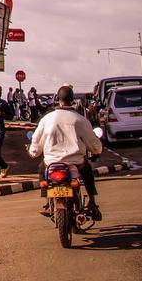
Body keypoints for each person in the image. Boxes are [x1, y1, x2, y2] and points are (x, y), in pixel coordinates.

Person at [28, 84, 103, 221]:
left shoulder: (47, 119)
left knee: (41, 171)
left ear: (58, 99)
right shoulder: (80, 120)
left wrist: (34, 152)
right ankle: (92, 202)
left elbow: (37, 139)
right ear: (72, 100)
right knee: (87, 173)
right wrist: (96, 150)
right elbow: (93, 142)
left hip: (51, 162)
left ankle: (46, 203)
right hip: (76, 162)